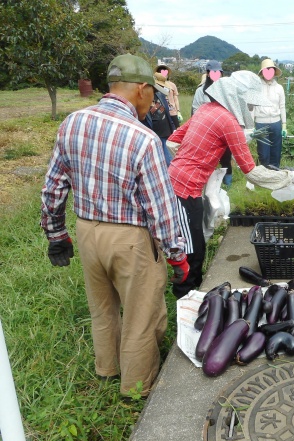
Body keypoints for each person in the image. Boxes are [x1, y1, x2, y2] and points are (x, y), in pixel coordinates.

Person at [40, 53, 190, 399]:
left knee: (102, 309)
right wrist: (177, 256)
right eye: (153, 95)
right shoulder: (143, 138)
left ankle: (107, 368)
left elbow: (54, 186)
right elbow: (161, 208)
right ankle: (135, 389)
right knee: (141, 316)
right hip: (130, 240)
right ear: (141, 89)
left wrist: (56, 234)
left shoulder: (72, 122)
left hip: (87, 232)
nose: (154, 103)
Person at [167, 71, 294, 299]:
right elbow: (251, 172)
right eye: (248, 103)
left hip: (181, 182)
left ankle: (194, 295)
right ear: (237, 99)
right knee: (191, 249)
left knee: (196, 242)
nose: (250, 108)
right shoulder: (228, 121)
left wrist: (191, 160)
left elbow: (173, 140)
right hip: (182, 190)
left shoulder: (205, 109)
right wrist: (289, 177)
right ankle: (185, 299)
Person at [190, 60, 233, 186]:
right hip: (206, 131)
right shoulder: (200, 91)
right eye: (214, 72)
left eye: (219, 72)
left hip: (223, 130)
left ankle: (227, 184)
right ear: (208, 73)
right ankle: (208, 185)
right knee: (208, 160)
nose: (217, 74)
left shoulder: (226, 90)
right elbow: (195, 110)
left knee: (226, 158)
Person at [254, 58, 286, 168]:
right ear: (262, 72)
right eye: (266, 70)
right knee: (263, 154)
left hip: (276, 123)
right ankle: (264, 174)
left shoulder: (279, 88)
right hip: (261, 123)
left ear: (274, 72)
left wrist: (284, 125)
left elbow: (282, 106)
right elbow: (251, 107)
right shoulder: (256, 87)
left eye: (271, 70)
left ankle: (275, 173)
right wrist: (250, 126)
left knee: (276, 153)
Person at [148, 72, 176, 165]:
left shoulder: (160, 95)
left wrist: (173, 127)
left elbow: (167, 112)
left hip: (166, 130)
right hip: (156, 132)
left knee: (168, 158)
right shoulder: (147, 96)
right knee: (164, 160)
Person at [155, 64, 181, 128]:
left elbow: (175, 98)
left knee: (176, 129)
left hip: (172, 111)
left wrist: (178, 111)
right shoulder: (155, 85)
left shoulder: (172, 85)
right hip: (160, 112)